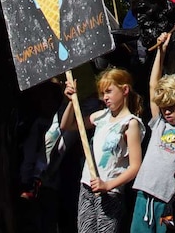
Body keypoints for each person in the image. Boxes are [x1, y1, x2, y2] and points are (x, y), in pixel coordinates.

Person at [131, 32, 175, 232]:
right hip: (144, 193)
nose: (167, 112)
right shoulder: (160, 123)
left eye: (172, 107)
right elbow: (153, 86)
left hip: (169, 198)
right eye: (164, 108)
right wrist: (161, 51)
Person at [62, 67, 145, 233]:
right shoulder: (101, 116)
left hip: (111, 192)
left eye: (109, 91)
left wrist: (107, 185)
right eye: (102, 93)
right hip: (88, 186)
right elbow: (68, 125)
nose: (105, 97)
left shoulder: (130, 123)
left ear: (125, 90)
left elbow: (135, 166)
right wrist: (72, 101)